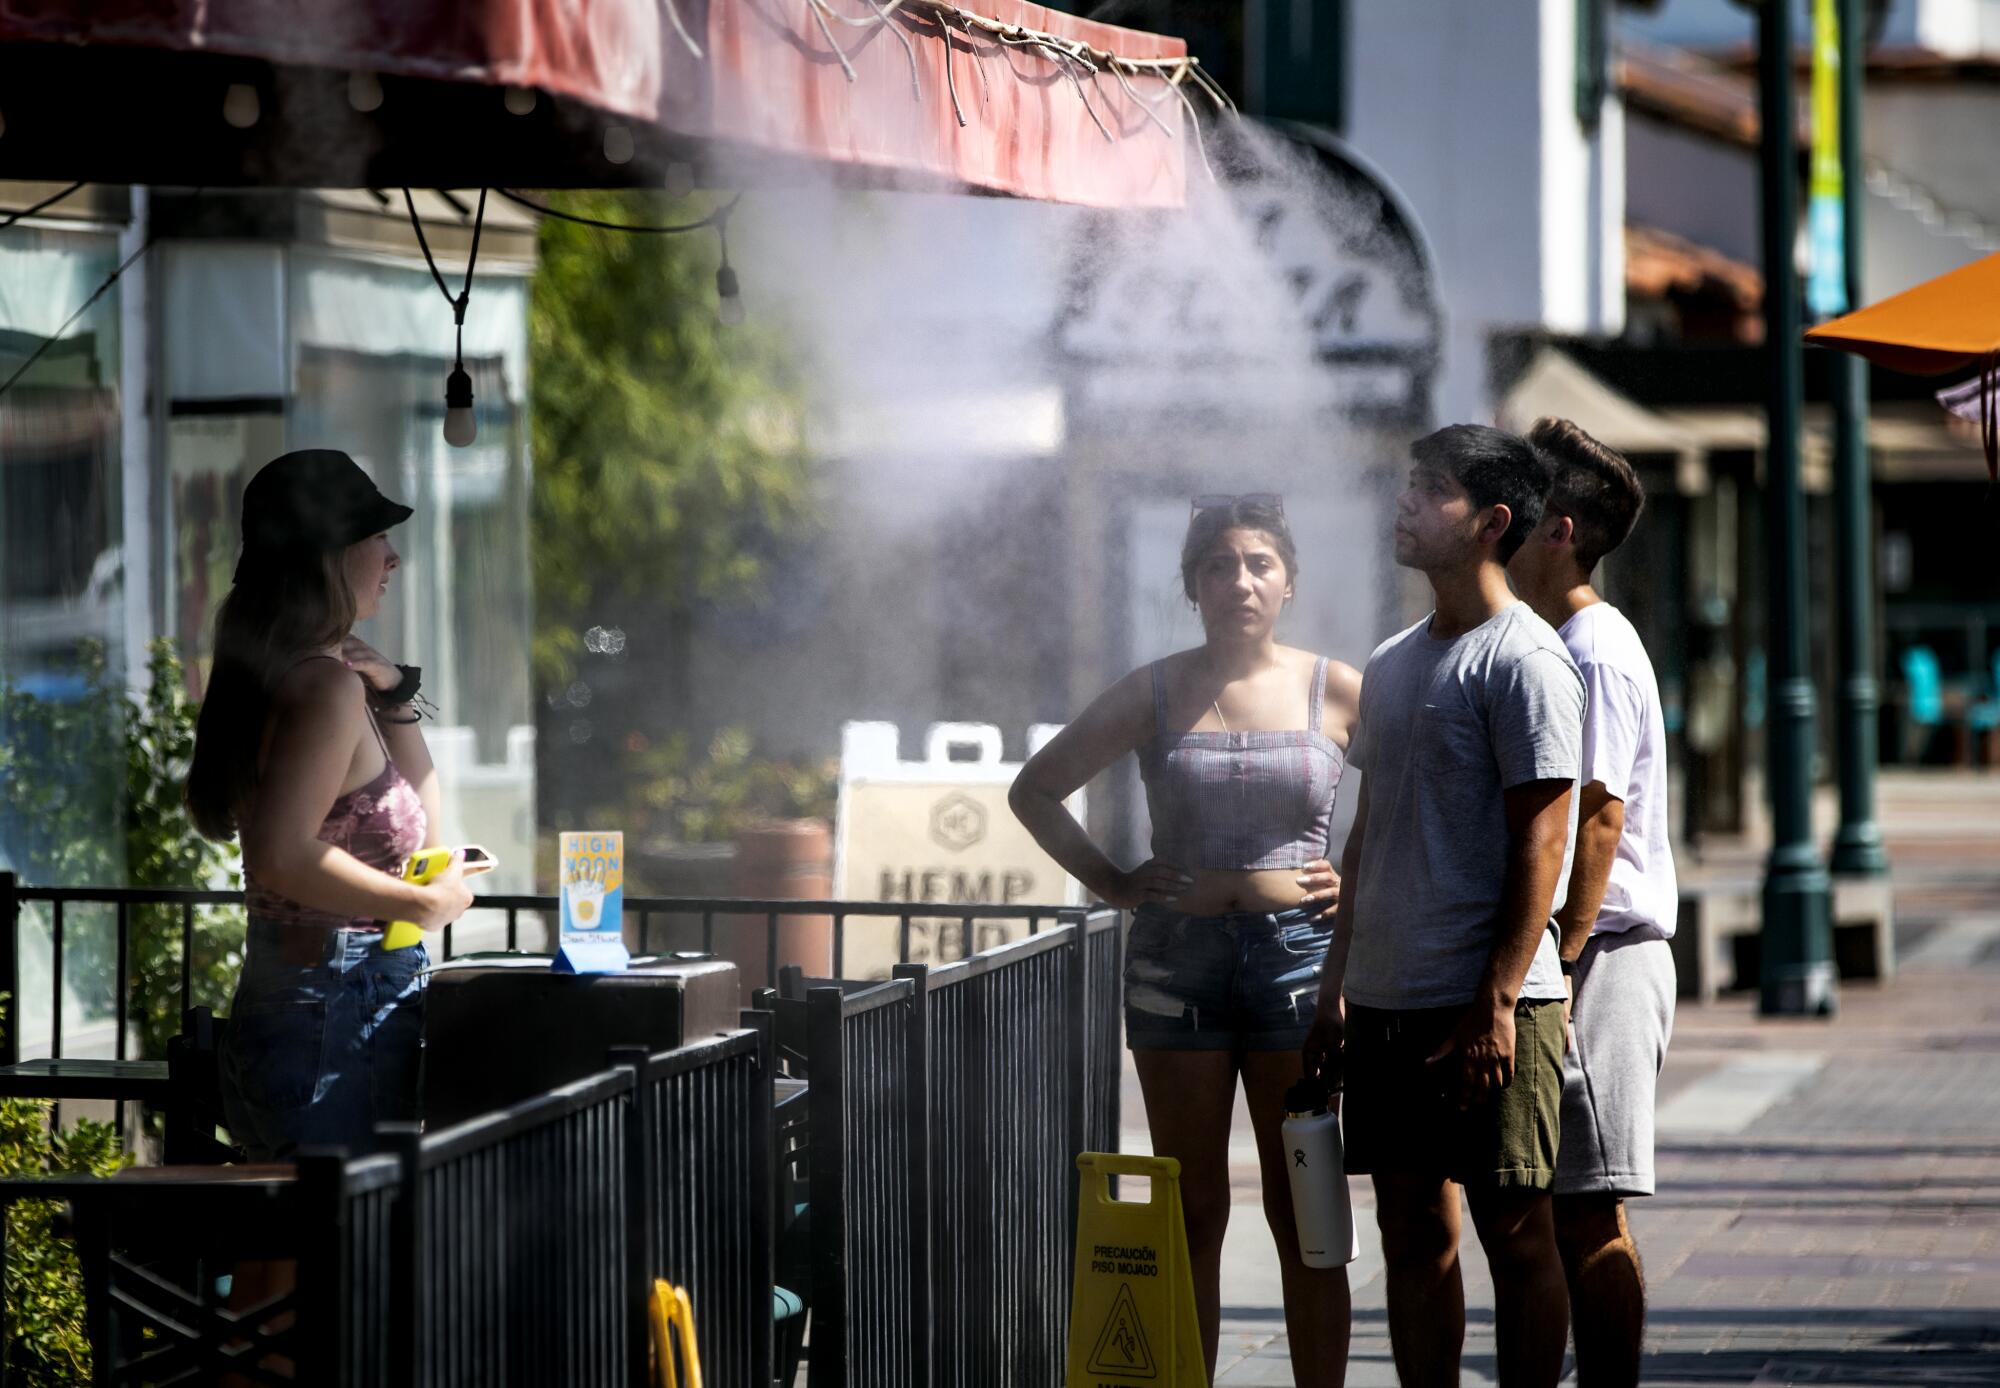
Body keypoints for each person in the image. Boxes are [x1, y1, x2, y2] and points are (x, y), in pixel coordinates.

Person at [1011, 495, 1361, 1387]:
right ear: (1190, 585)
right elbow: (1036, 789)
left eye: (1258, 565)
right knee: (1192, 1209)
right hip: (1177, 967)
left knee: (1307, 1212)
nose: (1239, 581)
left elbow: (1417, 799)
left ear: (1288, 582)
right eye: (1218, 565)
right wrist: (1116, 882)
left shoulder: (1340, 688)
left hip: (1299, 967)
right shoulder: (1156, 688)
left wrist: (1356, 880)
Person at [1304, 425, 1582, 1388]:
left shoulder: (1528, 661)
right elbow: (1368, 834)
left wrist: (1499, 1000)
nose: (1404, 503)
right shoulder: (1389, 662)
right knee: (1410, 1226)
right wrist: (1335, 984)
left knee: (1516, 1228)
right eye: (1407, 484)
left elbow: (1544, 841)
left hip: (1490, 1007)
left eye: (1431, 489)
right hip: (1385, 1000)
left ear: (1492, 522)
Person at [187, 448, 472, 1161]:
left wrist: (395, 694)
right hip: (334, 1006)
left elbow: (426, 837)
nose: (393, 557)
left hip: (309, 1000)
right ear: (326, 556)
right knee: (334, 1260)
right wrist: (419, 908)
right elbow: (281, 855)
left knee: (281, 1260)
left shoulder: (304, 677)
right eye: (376, 536)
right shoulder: (323, 689)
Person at [1508, 417, 1677, 1388]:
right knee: (1556, 1200)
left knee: (1590, 1202)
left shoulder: (1593, 648)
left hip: (1602, 953)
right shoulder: (1557, 637)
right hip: (1578, 952)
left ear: (1559, 526)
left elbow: (1597, 817)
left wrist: (1560, 959)